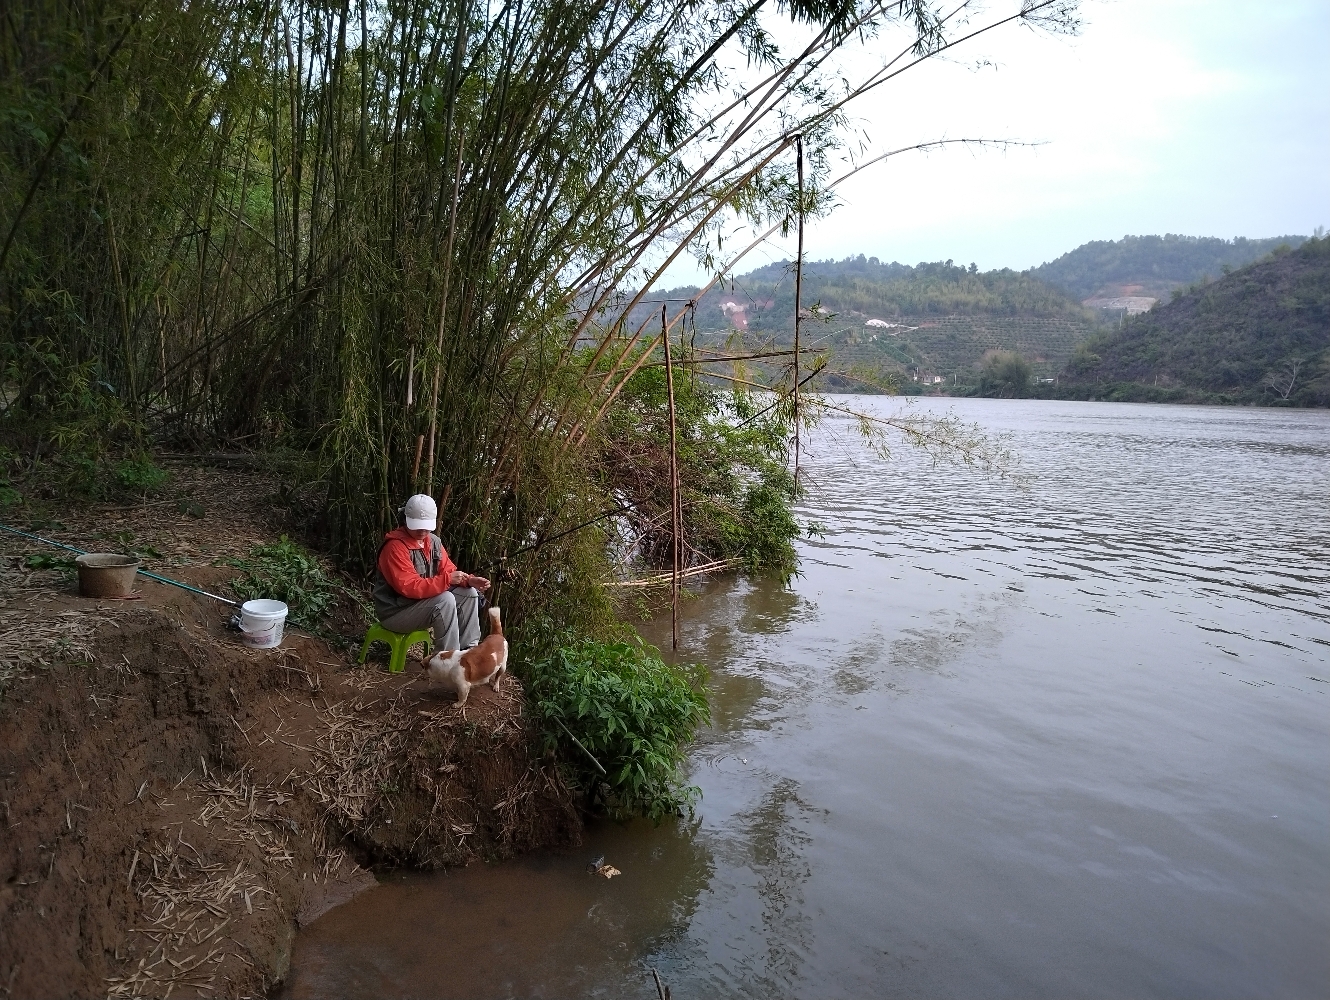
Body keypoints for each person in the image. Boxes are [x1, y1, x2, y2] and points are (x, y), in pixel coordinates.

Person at [372, 494, 491, 651]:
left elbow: (448, 570)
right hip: (396, 612)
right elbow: (409, 587)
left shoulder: (433, 541)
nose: (422, 530)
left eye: (426, 525)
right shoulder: (394, 547)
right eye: (417, 525)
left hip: (421, 606)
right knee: (445, 601)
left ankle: (468, 652)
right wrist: (448, 580)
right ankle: (448, 661)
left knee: (469, 594)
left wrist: (468, 580)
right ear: (406, 520)